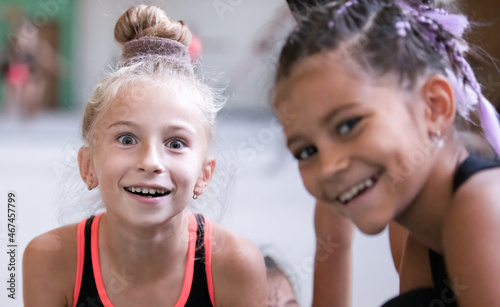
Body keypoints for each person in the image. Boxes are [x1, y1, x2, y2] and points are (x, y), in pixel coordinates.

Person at [22, 5, 267, 307]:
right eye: (127, 139)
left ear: (205, 175)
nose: (151, 161)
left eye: (176, 143)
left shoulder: (234, 266)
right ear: (88, 166)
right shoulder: (52, 261)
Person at [273, 0, 500, 306]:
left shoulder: (481, 205)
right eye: (307, 151)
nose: (329, 166)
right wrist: (332, 241)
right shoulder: (423, 240)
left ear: (433, 106)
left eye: (348, 125)